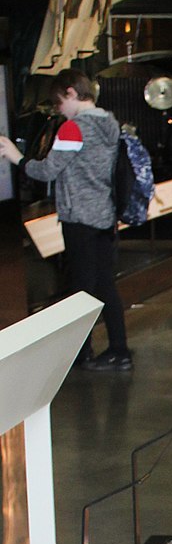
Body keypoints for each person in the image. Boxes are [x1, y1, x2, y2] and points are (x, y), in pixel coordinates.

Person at [0, 68, 131, 371]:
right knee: (105, 285)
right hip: (104, 215)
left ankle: (81, 353)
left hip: (79, 218)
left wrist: (16, 156)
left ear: (71, 93)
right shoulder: (108, 123)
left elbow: (46, 171)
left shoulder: (73, 129)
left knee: (82, 289)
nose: (59, 111)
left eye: (59, 104)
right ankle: (119, 350)